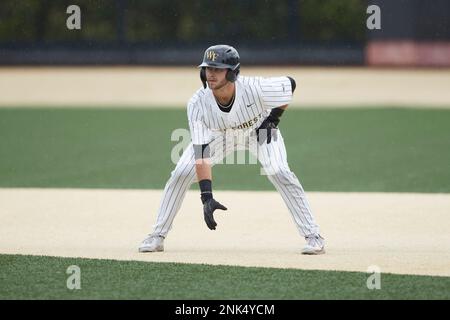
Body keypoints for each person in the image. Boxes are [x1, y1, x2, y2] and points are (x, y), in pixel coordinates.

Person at [139, 44, 325, 255]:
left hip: (258, 128)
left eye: (217, 69)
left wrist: (273, 119)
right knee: (181, 173)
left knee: (279, 171)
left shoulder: (255, 87)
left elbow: (289, 85)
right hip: (220, 134)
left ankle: (313, 236)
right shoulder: (197, 103)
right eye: (208, 69)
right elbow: (201, 152)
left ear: (232, 73)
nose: (211, 74)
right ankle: (157, 236)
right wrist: (206, 197)